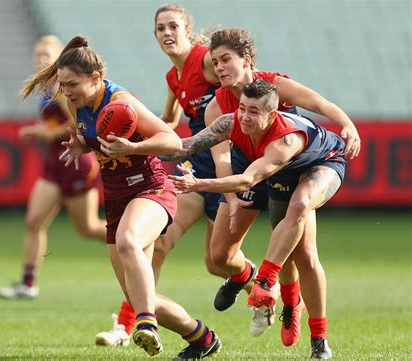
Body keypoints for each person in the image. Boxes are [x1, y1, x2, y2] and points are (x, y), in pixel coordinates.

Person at [21, 35, 222, 360]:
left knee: (130, 242)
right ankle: (201, 336)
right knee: (139, 294)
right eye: (62, 85)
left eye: (71, 84)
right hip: (115, 196)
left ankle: (146, 327)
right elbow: (89, 134)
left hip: (151, 187)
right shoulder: (75, 101)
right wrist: (80, 145)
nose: (65, 92)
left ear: (95, 78)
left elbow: (172, 141)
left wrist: (134, 148)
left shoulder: (121, 102)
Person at [95, 4, 272, 346]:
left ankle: (263, 289)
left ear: (188, 31)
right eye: (160, 28)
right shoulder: (173, 78)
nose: (167, 33)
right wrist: (134, 137)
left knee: (218, 263)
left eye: (173, 26)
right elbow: (166, 121)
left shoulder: (205, 60)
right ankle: (128, 325)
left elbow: (246, 79)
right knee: (157, 243)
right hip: (195, 175)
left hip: (227, 173)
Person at [202, 28, 360, 344]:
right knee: (219, 255)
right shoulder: (216, 107)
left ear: (246, 60)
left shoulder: (275, 85)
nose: (219, 68)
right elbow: (222, 160)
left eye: (225, 60)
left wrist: (348, 124)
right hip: (249, 171)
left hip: (292, 171)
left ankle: (299, 314)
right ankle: (247, 278)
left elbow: (319, 103)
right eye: (214, 62)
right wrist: (231, 198)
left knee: (301, 253)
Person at [169, 79, 346, 359]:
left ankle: (317, 339)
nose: (244, 116)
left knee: (304, 238)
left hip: (321, 163)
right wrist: (133, 148)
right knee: (232, 253)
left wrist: (197, 184)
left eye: (253, 111)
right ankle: (283, 298)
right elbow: (187, 145)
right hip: (278, 173)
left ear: (271, 114)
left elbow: (248, 180)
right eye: (242, 108)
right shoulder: (229, 121)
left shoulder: (286, 139)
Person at [0, 35, 106, 300]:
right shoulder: (48, 86)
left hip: (77, 162)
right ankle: (28, 283)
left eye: (48, 54)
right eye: (38, 54)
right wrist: (43, 132)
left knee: (88, 227)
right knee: (34, 221)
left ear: (60, 57)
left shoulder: (61, 87)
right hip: (56, 164)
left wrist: (45, 131)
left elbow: (79, 124)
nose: (42, 59)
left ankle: (138, 240)